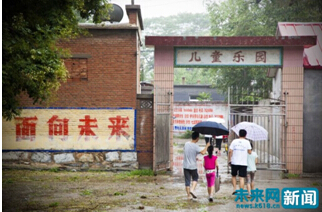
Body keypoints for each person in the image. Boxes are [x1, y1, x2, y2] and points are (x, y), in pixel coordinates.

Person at [183, 131, 210, 200]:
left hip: (185, 166)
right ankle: (192, 189)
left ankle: (189, 196)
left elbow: (187, 153)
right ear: (197, 138)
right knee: (195, 178)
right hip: (192, 166)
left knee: (187, 181)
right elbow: (203, 152)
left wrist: (194, 157)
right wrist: (207, 146)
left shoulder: (186, 144)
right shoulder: (196, 146)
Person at [228, 129, 252, 195]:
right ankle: (241, 191)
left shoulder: (234, 141)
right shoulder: (247, 142)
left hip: (234, 161)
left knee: (233, 176)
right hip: (243, 163)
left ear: (238, 134)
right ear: (245, 135)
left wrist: (230, 159)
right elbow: (249, 152)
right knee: (241, 178)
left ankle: (234, 189)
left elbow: (230, 151)